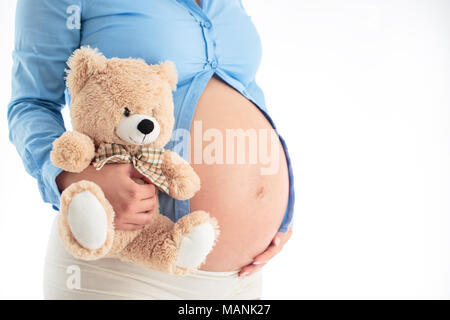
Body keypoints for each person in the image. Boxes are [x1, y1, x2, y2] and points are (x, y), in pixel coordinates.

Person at [8, 0, 295, 300]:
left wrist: (280, 211)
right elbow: (31, 104)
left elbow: (241, 84)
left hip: (242, 280)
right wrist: (71, 177)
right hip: (127, 272)